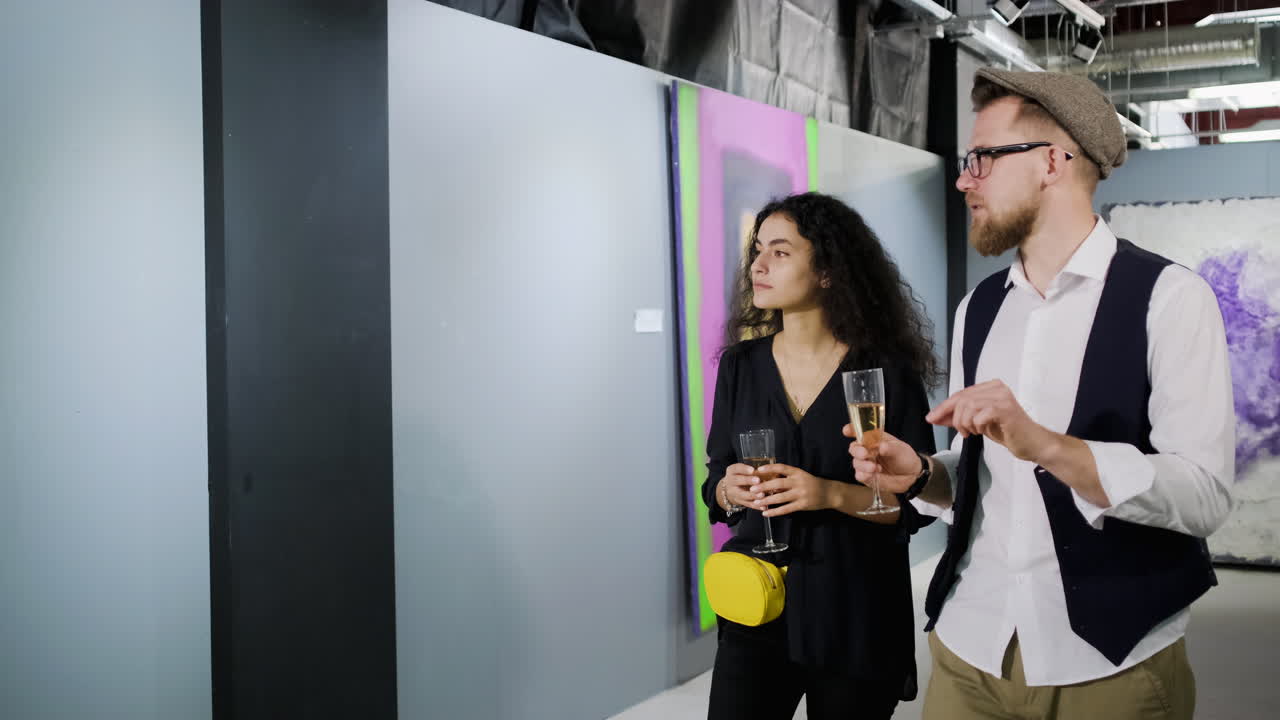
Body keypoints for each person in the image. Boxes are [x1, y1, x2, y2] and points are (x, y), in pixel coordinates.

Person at [848, 69, 1235, 720]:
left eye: (982, 159)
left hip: (1110, 665)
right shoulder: (980, 309)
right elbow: (982, 477)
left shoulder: (1171, 299)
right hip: (969, 649)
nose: (964, 179)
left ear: (1053, 161)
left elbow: (1203, 497)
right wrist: (921, 475)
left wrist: (1051, 447)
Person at [702, 192, 941, 720]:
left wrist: (828, 493)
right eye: (757, 251)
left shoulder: (884, 373)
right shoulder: (740, 366)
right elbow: (715, 480)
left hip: (856, 612)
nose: (759, 265)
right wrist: (727, 489)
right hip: (757, 604)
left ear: (829, 270)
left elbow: (910, 506)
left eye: (781, 252)